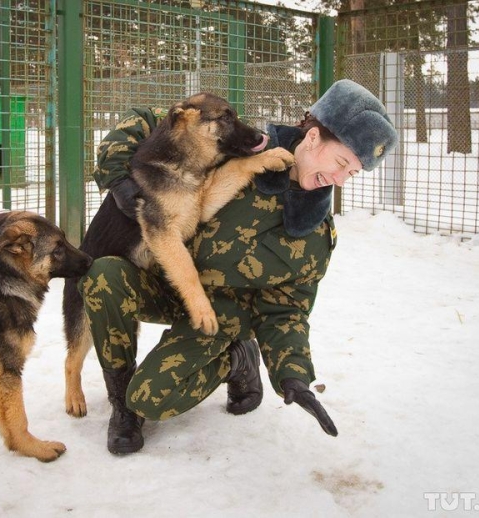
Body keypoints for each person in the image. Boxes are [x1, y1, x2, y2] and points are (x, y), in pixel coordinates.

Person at [80, 79, 398, 454]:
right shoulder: (241, 145)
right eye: (342, 163)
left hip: (219, 313)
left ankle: (235, 359)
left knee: (151, 398)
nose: (341, 180)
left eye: (353, 173)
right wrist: (118, 178)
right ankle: (121, 405)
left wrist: (293, 376)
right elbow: (150, 121)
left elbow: (287, 310)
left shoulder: (312, 232)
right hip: (166, 281)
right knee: (103, 275)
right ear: (312, 138)